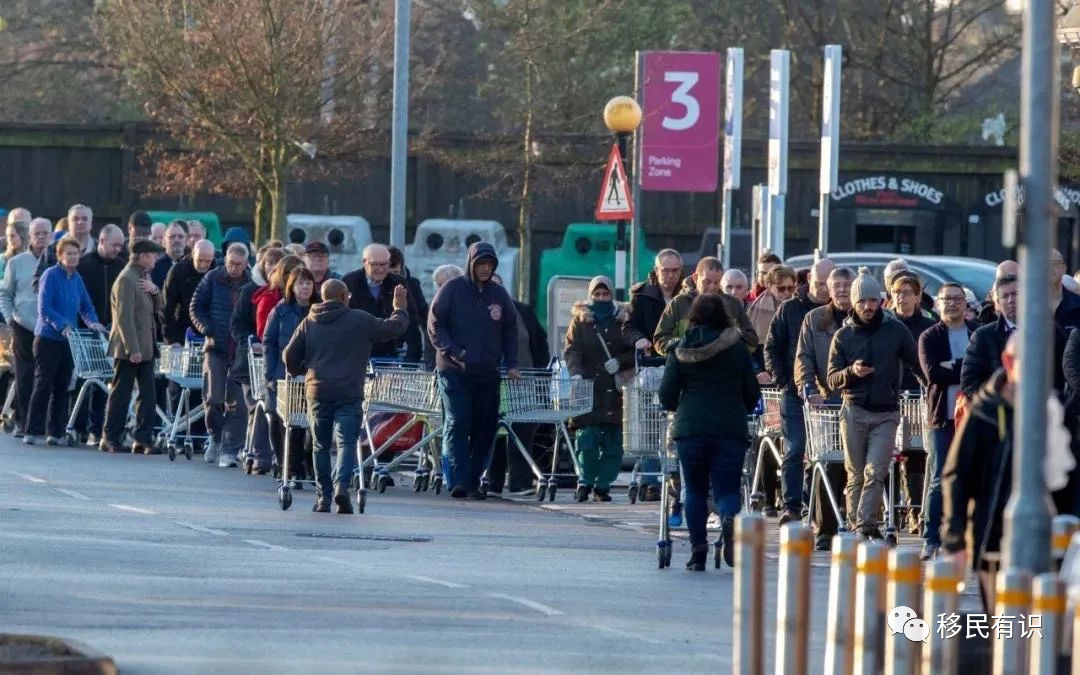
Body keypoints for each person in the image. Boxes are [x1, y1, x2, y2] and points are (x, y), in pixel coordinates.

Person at [284, 278, 409, 513]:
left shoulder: (309, 322)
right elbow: (393, 329)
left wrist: (304, 369)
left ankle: (323, 498)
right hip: (349, 391)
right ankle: (342, 487)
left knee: (320, 445)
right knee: (346, 443)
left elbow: (289, 355)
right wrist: (400, 309)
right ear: (343, 297)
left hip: (318, 390)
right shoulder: (359, 319)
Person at [658, 294, 760, 570]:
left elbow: (667, 395)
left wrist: (678, 405)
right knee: (727, 488)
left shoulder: (680, 348)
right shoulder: (737, 348)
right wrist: (741, 405)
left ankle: (698, 551)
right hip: (730, 428)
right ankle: (727, 516)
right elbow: (752, 392)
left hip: (690, 429)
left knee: (694, 490)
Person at [826, 267, 922, 540]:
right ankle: (859, 526)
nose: (868, 307)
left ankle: (865, 525)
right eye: (862, 302)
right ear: (853, 304)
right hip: (854, 410)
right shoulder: (843, 337)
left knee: (875, 470)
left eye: (872, 301)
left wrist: (931, 385)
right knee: (855, 474)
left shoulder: (895, 330)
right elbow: (832, 379)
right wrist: (852, 373)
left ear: (880, 301)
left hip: (886, 412)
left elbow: (916, 364)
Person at [427, 242, 520, 500]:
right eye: (481, 264)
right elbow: (435, 325)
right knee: (458, 421)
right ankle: (458, 480)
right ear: (471, 263)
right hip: (453, 370)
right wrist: (455, 352)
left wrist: (511, 363)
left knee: (486, 425)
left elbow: (511, 330)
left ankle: (473, 478)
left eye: (490, 265)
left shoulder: (499, 295)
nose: (485, 269)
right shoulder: (451, 290)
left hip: (487, 372)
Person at [765, 257, 835, 521]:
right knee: (795, 449)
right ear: (809, 281)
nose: (825, 289)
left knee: (826, 452)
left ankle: (815, 504)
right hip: (795, 393)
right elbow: (772, 347)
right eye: (819, 283)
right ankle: (791, 506)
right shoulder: (790, 310)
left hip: (830, 393)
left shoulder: (838, 310)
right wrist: (783, 381)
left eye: (829, 283)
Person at [564, 276, 642, 502]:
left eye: (605, 294)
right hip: (587, 388)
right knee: (586, 440)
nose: (601, 298)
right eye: (596, 294)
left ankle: (602, 485)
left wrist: (620, 361)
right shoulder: (580, 320)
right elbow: (572, 349)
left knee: (613, 443)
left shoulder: (624, 319)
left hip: (616, 391)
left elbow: (634, 349)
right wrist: (575, 372)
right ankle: (585, 480)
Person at [917, 283, 978, 561]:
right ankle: (931, 538)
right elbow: (933, 374)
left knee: (974, 478)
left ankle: (966, 538)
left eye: (957, 299)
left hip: (974, 419)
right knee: (939, 479)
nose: (952, 304)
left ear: (966, 304)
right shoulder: (929, 337)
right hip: (943, 417)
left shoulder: (977, 335)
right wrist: (963, 367)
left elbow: (983, 373)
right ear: (938, 304)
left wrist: (952, 365)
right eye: (946, 299)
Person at [794, 266, 853, 549]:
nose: (842, 289)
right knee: (827, 462)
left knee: (857, 466)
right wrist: (808, 388)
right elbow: (803, 357)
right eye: (836, 285)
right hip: (827, 400)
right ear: (828, 289)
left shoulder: (867, 318)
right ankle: (825, 529)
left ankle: (859, 523)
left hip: (859, 400)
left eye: (847, 284)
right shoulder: (815, 319)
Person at [24, 236, 105, 445]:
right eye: (68, 253)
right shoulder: (50, 275)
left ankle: (55, 432)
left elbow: (86, 306)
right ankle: (32, 430)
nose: (72, 257)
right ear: (59, 256)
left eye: (75, 253)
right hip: (48, 338)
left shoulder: (76, 278)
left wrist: (93, 322)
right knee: (43, 384)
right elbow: (44, 308)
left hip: (70, 340)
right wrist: (62, 325)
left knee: (62, 386)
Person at [487, 272, 549, 494]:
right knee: (492, 431)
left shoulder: (522, 311)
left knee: (522, 430)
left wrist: (540, 371)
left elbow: (539, 341)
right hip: (490, 380)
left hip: (523, 379)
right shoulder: (475, 312)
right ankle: (491, 481)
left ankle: (520, 482)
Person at [190, 243, 251, 467]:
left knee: (238, 404)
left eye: (238, 265)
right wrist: (207, 329)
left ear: (246, 264)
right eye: (230, 263)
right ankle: (215, 436)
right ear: (225, 260)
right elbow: (196, 307)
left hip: (240, 350)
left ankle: (230, 450)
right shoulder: (212, 278)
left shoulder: (251, 282)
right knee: (214, 399)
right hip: (216, 347)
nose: (234, 268)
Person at [101, 239, 165, 455]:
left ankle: (143, 438)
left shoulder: (143, 277)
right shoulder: (127, 279)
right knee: (121, 393)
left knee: (148, 395)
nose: (156, 258)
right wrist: (132, 349)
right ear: (141, 256)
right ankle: (110, 437)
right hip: (130, 348)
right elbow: (123, 318)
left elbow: (158, 308)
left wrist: (155, 290)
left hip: (146, 347)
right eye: (152, 254)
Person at [230, 246, 285, 474]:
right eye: (270, 265)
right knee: (258, 406)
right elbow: (237, 324)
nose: (273, 270)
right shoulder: (251, 291)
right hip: (251, 362)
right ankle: (259, 455)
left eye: (278, 266)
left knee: (267, 408)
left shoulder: (286, 294)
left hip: (274, 361)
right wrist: (250, 343)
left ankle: (256, 452)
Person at [74, 224, 127, 444]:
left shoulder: (123, 268)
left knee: (105, 382)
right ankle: (78, 427)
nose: (117, 249)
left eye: (120, 245)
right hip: (85, 330)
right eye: (114, 244)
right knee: (83, 381)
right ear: (102, 241)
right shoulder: (84, 265)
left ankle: (96, 428)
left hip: (111, 332)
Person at [264, 266, 317, 486]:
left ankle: (309, 466)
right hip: (285, 374)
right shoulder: (281, 310)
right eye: (300, 283)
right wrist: (271, 373)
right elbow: (269, 342)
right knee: (289, 423)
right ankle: (290, 467)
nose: (305, 287)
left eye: (308, 282)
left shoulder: (319, 309)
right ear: (292, 286)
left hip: (312, 375)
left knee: (312, 424)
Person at [0, 218, 51, 435]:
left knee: (46, 375)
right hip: (23, 325)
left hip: (49, 327)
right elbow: (5, 293)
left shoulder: (58, 261)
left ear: (51, 236)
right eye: (36, 234)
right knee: (24, 374)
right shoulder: (16, 263)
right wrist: (10, 317)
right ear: (29, 237)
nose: (40, 238)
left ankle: (42, 423)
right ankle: (23, 421)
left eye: (44, 234)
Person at [653, 257, 756, 357]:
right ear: (695, 278)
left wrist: (731, 341)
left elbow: (752, 340)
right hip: (687, 366)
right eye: (707, 282)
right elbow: (660, 339)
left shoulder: (733, 305)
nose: (712, 287)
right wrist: (683, 345)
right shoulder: (679, 304)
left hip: (724, 368)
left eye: (716, 283)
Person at [342, 244, 422, 361]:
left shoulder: (398, 283)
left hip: (389, 354)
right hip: (355, 354)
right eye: (375, 264)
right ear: (364, 262)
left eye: (384, 264)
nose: (380, 269)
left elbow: (411, 319)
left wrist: (413, 356)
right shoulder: (349, 282)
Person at [628, 249, 684, 354]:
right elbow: (629, 327)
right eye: (665, 271)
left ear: (681, 270)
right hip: (652, 358)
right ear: (657, 270)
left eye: (675, 270)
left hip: (683, 356)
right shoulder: (642, 296)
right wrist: (639, 338)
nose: (671, 275)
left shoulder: (689, 295)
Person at [163, 239, 216, 345]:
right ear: (193, 255)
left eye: (207, 261)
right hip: (182, 329)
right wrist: (172, 338)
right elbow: (167, 307)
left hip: (209, 329)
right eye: (199, 260)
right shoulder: (178, 271)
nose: (203, 265)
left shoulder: (216, 270)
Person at [34, 204, 95, 286]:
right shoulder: (52, 249)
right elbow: (37, 281)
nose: (80, 222)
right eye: (75, 219)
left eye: (84, 219)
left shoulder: (98, 249)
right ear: (69, 224)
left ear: (90, 224)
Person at [423, 265, 464, 371]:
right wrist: (430, 369)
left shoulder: (471, 307)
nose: (437, 290)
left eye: (440, 286)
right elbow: (431, 341)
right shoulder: (434, 308)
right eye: (436, 285)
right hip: (443, 368)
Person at [151, 220, 189, 289]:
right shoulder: (154, 268)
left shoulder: (192, 265)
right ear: (164, 242)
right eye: (172, 237)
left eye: (180, 237)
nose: (177, 240)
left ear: (186, 240)